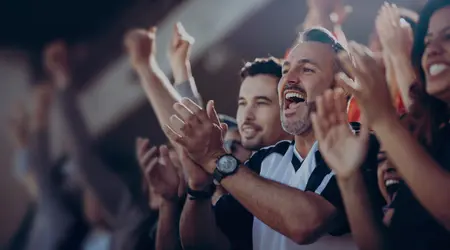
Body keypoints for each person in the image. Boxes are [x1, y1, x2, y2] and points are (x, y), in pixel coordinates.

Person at [167, 27, 381, 250]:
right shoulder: (265, 161)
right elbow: (204, 245)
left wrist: (217, 160)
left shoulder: (363, 145)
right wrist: (198, 188)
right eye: (286, 70)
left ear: (340, 87)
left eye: (307, 69)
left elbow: (306, 223)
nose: (289, 79)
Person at [314, 0, 450, 248]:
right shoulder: (434, 137)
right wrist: (348, 177)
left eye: (448, 37)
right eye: (427, 41)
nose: (432, 50)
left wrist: (383, 120)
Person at [45, 40, 154, 250]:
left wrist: (63, 84)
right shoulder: (113, 233)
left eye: (91, 187)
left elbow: (84, 159)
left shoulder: (131, 222)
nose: (88, 196)